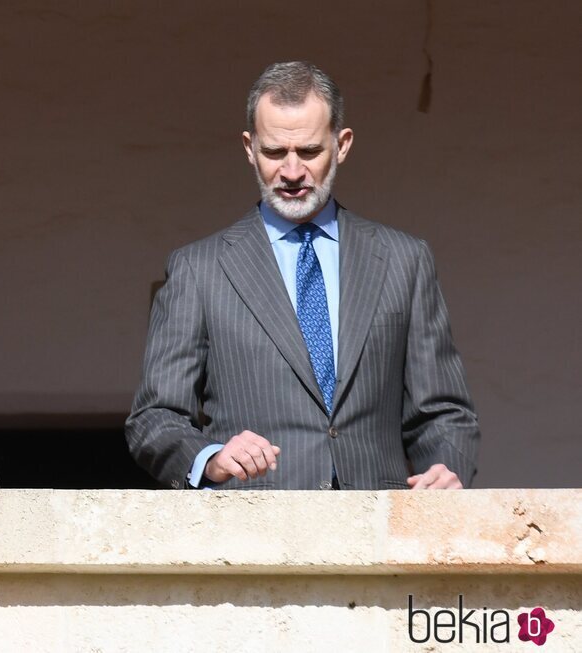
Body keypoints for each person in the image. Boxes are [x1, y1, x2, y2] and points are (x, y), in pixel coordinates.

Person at [126, 62, 480, 491]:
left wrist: (446, 467)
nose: (292, 172)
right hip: (255, 534)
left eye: (310, 151)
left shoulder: (405, 260)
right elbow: (154, 418)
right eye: (275, 152)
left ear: (342, 144)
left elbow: (444, 411)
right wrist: (213, 458)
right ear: (249, 148)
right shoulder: (198, 270)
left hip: (381, 531)